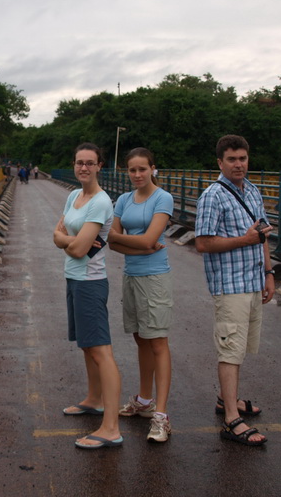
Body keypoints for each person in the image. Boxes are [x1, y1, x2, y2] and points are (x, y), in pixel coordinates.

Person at [194, 135, 275, 446]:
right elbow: (203, 243)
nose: (239, 164)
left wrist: (269, 273)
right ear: (220, 162)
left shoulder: (252, 190)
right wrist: (245, 240)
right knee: (230, 350)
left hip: (253, 281)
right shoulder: (212, 196)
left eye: (242, 158)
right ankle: (231, 418)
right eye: (232, 159)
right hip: (230, 285)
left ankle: (225, 399)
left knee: (240, 348)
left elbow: (262, 234)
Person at [53, 142, 123, 449]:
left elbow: (79, 248)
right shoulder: (73, 195)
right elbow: (60, 237)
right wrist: (68, 240)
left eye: (89, 163)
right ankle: (94, 399)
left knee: (100, 351)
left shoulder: (100, 202)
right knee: (86, 346)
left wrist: (65, 240)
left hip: (90, 282)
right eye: (79, 162)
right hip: (74, 277)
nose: (84, 167)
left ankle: (111, 427)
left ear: (99, 166)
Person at [108, 148, 174, 443]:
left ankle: (161, 416)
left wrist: (136, 242)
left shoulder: (163, 198)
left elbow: (147, 238)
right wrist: (143, 246)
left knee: (158, 341)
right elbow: (111, 242)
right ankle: (144, 401)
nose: (137, 175)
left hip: (155, 278)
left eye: (142, 169)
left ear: (153, 169)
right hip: (131, 275)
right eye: (132, 170)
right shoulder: (123, 200)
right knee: (140, 338)